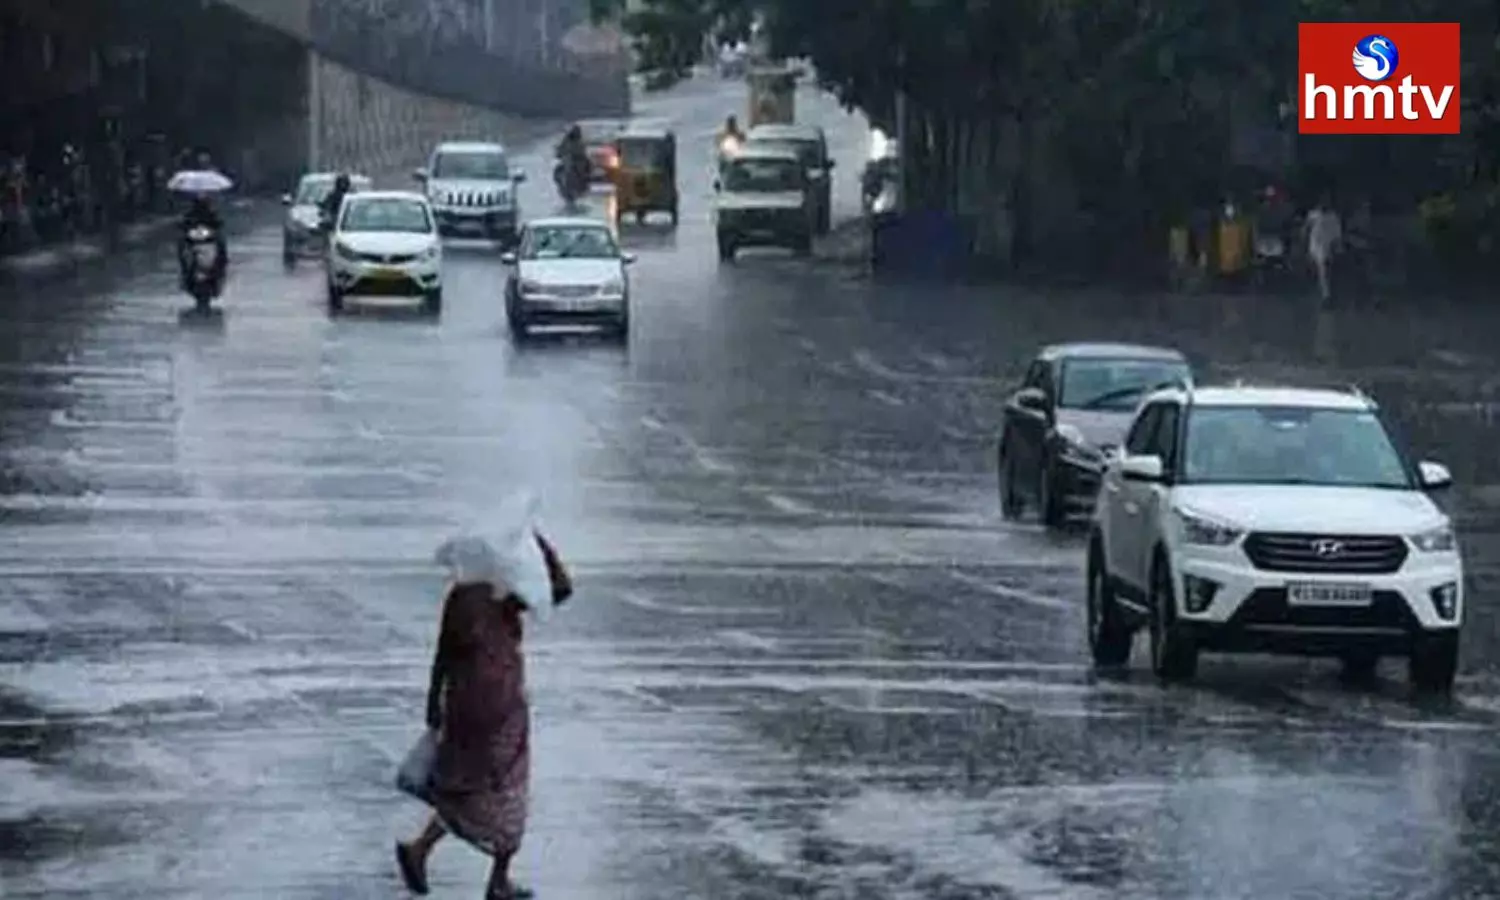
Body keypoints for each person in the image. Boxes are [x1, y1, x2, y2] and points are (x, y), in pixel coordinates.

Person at [396, 533, 572, 899]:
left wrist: (433, 705)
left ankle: (421, 849)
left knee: (466, 787)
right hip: (500, 710)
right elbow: (560, 589)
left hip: (463, 707)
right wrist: (539, 544)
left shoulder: (462, 596)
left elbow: (442, 655)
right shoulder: (505, 595)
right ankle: (497, 879)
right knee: (507, 788)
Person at [177, 193, 226, 290]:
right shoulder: (190, 214)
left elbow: (218, 223)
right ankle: (184, 271)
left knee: (221, 246)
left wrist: (217, 224)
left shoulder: (211, 213)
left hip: (208, 240)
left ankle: (220, 269)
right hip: (193, 240)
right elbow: (183, 224)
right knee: (181, 247)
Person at [1305, 193, 1342, 303]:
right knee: (1321, 270)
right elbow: (1306, 229)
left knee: (1325, 271)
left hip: (1327, 247)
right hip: (1315, 246)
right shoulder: (1313, 215)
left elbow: (1337, 235)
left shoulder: (1333, 217)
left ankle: (1326, 295)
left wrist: (1336, 247)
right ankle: (1325, 295)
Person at [554, 125, 588, 192]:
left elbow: (583, 150)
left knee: (583, 172)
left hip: (579, 160)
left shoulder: (581, 140)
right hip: (569, 160)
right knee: (559, 171)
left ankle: (581, 187)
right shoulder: (567, 139)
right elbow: (561, 148)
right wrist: (559, 153)